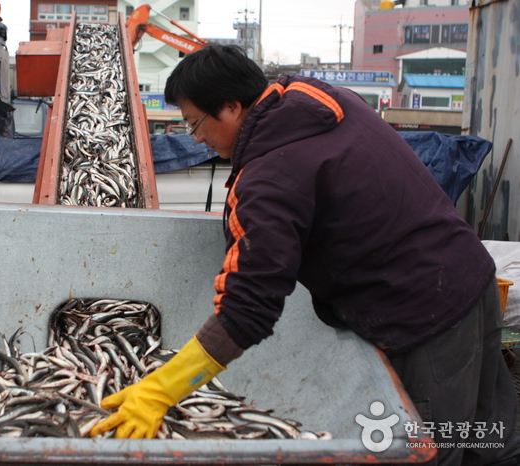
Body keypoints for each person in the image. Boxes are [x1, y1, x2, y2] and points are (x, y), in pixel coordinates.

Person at [90, 44, 520, 465]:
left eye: (195, 123)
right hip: (471, 278)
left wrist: (162, 389)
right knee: (490, 437)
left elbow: (248, 310)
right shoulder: (322, 99)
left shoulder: (268, 177)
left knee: (427, 450)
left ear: (231, 106)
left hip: (425, 319)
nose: (196, 137)